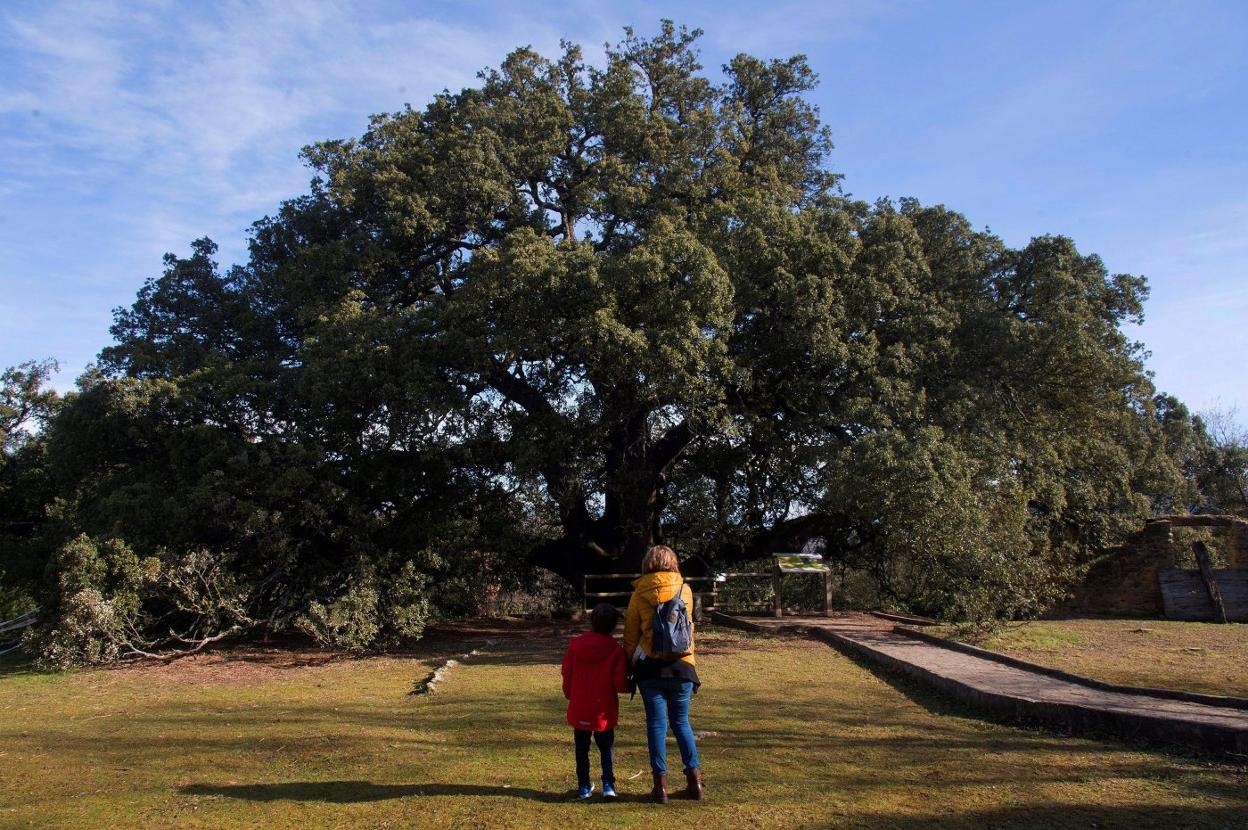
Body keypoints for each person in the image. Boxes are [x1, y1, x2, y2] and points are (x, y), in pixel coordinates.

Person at [622, 544, 704, 803]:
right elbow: (688, 628)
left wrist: (629, 665)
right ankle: (695, 781)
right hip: (682, 666)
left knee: (657, 725)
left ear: (648, 564)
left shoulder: (639, 593)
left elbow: (630, 636)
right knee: (681, 723)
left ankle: (661, 786)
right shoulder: (685, 589)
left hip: (650, 670)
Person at [561, 602, 630, 800]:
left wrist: (569, 693)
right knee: (606, 747)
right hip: (603, 708)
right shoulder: (615, 650)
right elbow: (619, 683)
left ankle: (584, 785)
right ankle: (608, 783)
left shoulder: (576, 645)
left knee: (581, 748)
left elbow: (567, 671)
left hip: (581, 704)